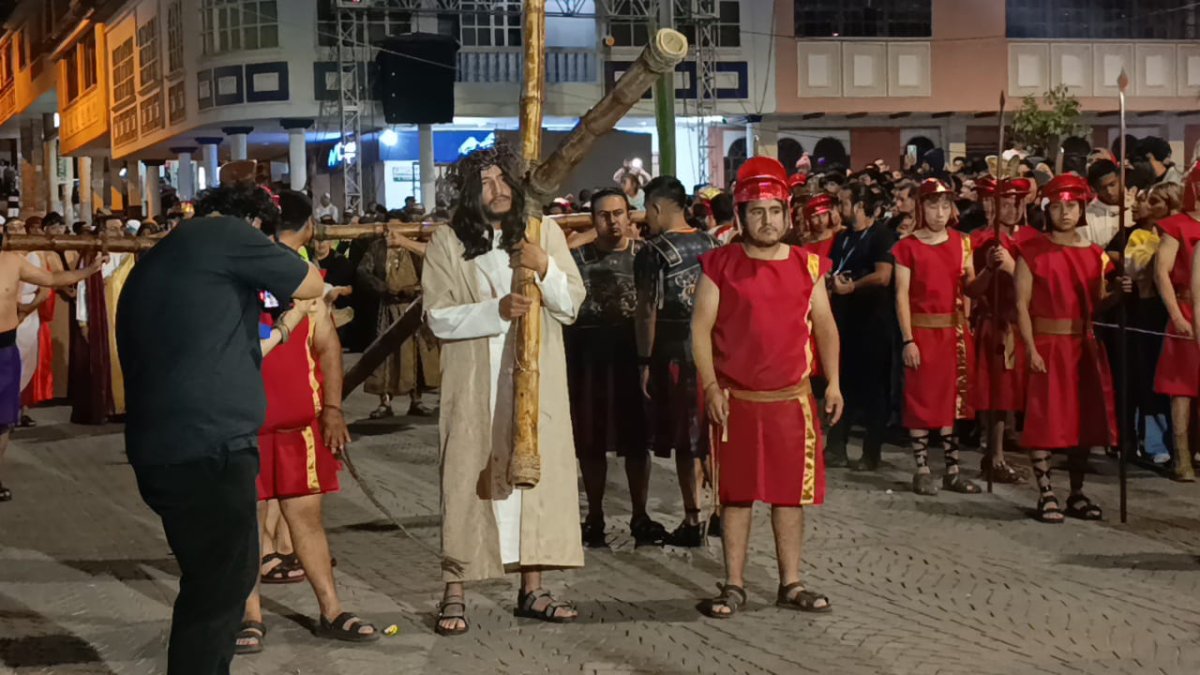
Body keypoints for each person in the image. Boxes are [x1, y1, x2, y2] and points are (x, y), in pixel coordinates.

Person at [116, 179, 326, 674]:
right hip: (210, 446)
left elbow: (233, 350)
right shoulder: (227, 236)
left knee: (210, 580)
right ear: (252, 223)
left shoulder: (166, 257)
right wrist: (278, 251)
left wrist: (284, 326)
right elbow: (311, 283)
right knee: (221, 586)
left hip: (163, 446)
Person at [422, 145, 585, 636]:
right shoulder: (449, 241)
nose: (496, 191)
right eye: (484, 183)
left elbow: (571, 304)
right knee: (466, 480)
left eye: (501, 180)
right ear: (469, 194)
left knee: (531, 483)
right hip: (476, 382)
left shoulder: (542, 231)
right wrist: (494, 312)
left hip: (535, 382)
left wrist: (544, 266)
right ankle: (455, 591)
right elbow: (436, 316)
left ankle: (532, 588)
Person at [692, 156, 842, 618]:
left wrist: (834, 382)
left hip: (791, 401)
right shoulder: (720, 265)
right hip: (736, 401)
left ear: (787, 214)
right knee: (735, 496)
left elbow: (825, 326)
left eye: (775, 211)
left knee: (789, 495)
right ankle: (733, 584)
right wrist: (710, 386)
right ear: (741, 216)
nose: (767, 220)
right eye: (757, 211)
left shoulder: (808, 265)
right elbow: (700, 329)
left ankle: (790, 582)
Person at [235, 191, 377, 654]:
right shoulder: (231, 277)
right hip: (243, 426)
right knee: (247, 526)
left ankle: (331, 609)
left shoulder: (305, 279)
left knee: (308, 521)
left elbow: (327, 346)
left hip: (299, 427)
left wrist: (333, 409)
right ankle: (249, 615)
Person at [1015, 174, 1125, 524]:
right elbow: (1021, 305)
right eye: (1058, 207)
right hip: (1048, 344)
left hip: (1083, 346)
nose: (1065, 213)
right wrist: (1030, 348)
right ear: (1048, 210)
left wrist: (1119, 293)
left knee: (1083, 420)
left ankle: (1077, 492)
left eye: (1072, 206)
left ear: (1081, 210)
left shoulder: (1095, 255)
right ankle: (1046, 491)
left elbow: (1098, 303)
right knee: (1045, 418)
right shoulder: (1031, 251)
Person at [566, 188, 667, 549]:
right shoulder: (575, 258)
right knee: (590, 443)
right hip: (587, 359)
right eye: (604, 215)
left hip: (632, 358)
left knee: (636, 442)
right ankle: (594, 516)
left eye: (618, 213)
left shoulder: (645, 255)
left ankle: (640, 514)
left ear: (630, 215)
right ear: (592, 219)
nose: (612, 222)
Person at [634, 175, 720, 546]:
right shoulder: (713, 243)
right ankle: (722, 509)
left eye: (647, 210)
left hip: (675, 356)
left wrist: (643, 360)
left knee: (687, 440)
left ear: (656, 207)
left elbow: (646, 311)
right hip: (714, 354)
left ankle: (692, 517)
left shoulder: (653, 252)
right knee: (712, 437)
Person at [0, 243, 107, 503]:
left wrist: (90, 270)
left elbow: (51, 279)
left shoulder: (12, 261)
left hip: (4, 350)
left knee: (2, 421)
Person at [893, 179, 980, 496]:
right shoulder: (907, 247)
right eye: (933, 206)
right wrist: (908, 339)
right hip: (922, 332)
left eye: (945, 206)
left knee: (952, 402)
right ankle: (922, 469)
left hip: (953, 334)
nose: (940, 213)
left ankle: (952, 470)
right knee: (921, 400)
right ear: (921, 208)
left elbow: (970, 287)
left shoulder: (963, 243)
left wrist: (991, 273)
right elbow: (901, 295)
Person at [968, 177, 1039, 484]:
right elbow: (972, 288)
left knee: (1020, 392)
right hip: (996, 322)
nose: (1012, 209)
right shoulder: (982, 239)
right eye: (1006, 203)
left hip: (1026, 323)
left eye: (1017, 203)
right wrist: (992, 267)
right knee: (998, 391)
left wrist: (1013, 267)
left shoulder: (1033, 238)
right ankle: (994, 454)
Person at [825, 184, 897, 470]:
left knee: (873, 389)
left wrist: (853, 286)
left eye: (844, 203)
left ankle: (871, 452)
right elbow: (832, 266)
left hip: (873, 323)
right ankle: (836, 447)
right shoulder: (843, 237)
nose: (839, 209)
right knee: (842, 383)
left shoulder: (881, 236)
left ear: (859, 206)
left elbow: (883, 275)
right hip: (845, 320)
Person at [357, 226, 440, 419]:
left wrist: (415, 289)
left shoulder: (414, 248)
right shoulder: (377, 248)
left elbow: (431, 272)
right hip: (387, 309)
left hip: (413, 308)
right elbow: (363, 272)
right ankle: (385, 403)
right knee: (385, 355)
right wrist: (384, 289)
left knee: (416, 355)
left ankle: (416, 400)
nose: (393, 234)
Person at [1153, 164, 1200, 481]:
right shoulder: (1177, 226)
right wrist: (1175, 314)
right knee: (1182, 387)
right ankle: (1181, 457)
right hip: (1186, 309)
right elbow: (1161, 272)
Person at [71, 216, 136, 424]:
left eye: (120, 228)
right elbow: (83, 288)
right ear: (102, 232)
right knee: (105, 360)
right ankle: (108, 406)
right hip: (103, 317)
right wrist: (83, 321)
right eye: (113, 229)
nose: (118, 232)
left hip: (126, 317)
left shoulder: (130, 254)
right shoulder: (92, 256)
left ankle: (127, 405)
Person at [1082, 160, 1136, 248]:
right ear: (1094, 189)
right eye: (1103, 188)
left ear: (1120, 178)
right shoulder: (1087, 217)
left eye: (1112, 184)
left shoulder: (1137, 203)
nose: (1109, 192)